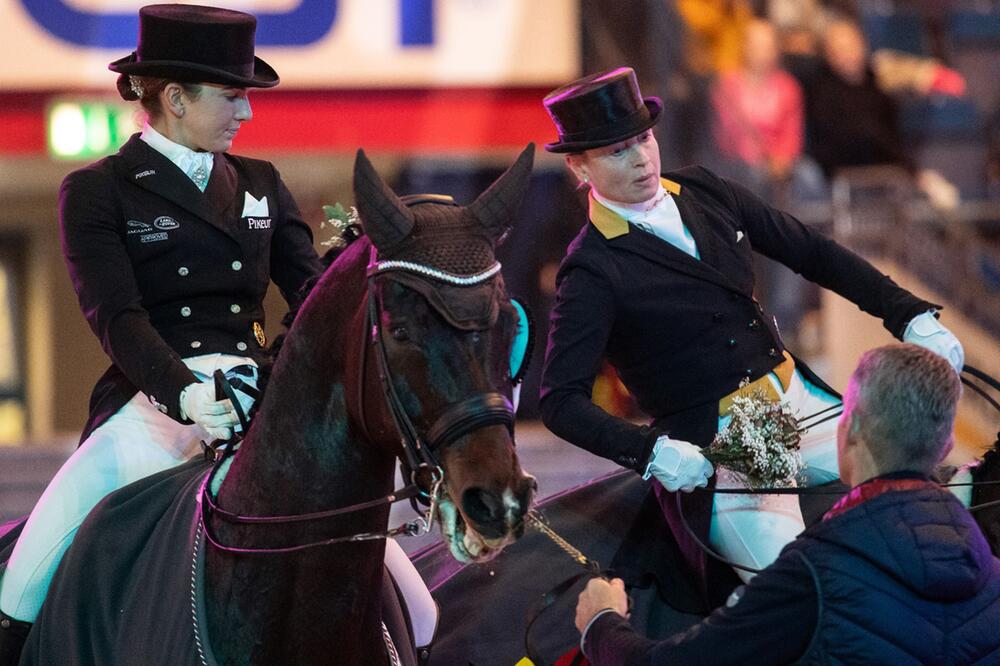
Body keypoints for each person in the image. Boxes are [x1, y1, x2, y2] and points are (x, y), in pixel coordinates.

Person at [538, 67, 965, 596]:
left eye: (643, 139)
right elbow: (560, 400)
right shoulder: (591, 269)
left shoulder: (705, 189)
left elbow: (811, 252)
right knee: (796, 591)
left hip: (800, 399)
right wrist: (649, 451)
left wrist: (908, 313)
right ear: (579, 166)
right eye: (617, 151)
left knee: (943, 495)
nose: (642, 159)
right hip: (728, 445)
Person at [0, 5, 323, 661]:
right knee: (21, 586)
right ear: (175, 97)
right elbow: (116, 316)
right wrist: (185, 395)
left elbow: (314, 295)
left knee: (413, 600)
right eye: (232, 96)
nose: (247, 113)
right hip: (152, 408)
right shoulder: (99, 191)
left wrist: (287, 378)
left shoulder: (262, 183)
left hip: (254, 406)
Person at [574, 343, 1000, 664]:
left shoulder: (814, 573)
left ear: (848, 428)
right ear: (946, 446)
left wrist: (601, 624)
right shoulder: (992, 575)